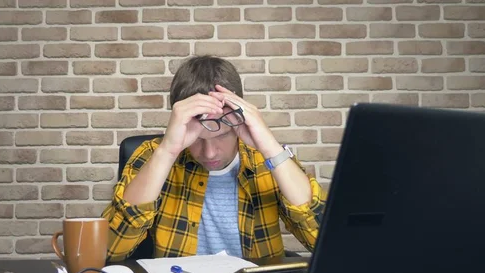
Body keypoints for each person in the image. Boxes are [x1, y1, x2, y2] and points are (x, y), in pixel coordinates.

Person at [102, 55, 328, 262]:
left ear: (238, 119)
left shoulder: (267, 160)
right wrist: (167, 152)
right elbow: (109, 250)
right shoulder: (154, 154)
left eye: (222, 136)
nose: (209, 153)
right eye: (197, 139)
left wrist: (270, 146)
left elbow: (323, 240)